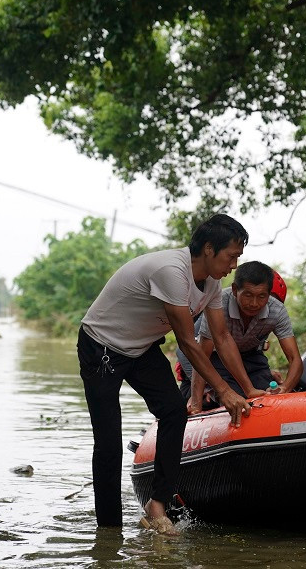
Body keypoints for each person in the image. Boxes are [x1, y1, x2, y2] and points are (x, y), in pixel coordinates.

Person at [77, 214, 252, 535]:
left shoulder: (212, 284)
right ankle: (109, 532)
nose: (234, 264)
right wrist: (223, 392)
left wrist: (248, 389)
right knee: (109, 444)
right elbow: (187, 340)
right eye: (231, 255)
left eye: (238, 256)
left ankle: (156, 504)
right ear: (209, 249)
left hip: (141, 347)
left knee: (173, 411)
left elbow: (222, 338)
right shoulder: (172, 271)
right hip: (101, 345)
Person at [182, 262, 303, 414]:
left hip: (251, 355)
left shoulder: (277, 310)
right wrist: (196, 402)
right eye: (248, 295)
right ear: (234, 290)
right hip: (216, 357)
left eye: (261, 296)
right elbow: (202, 356)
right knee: (236, 398)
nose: (254, 303)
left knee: (268, 394)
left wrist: (285, 387)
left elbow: (295, 359)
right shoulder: (218, 304)